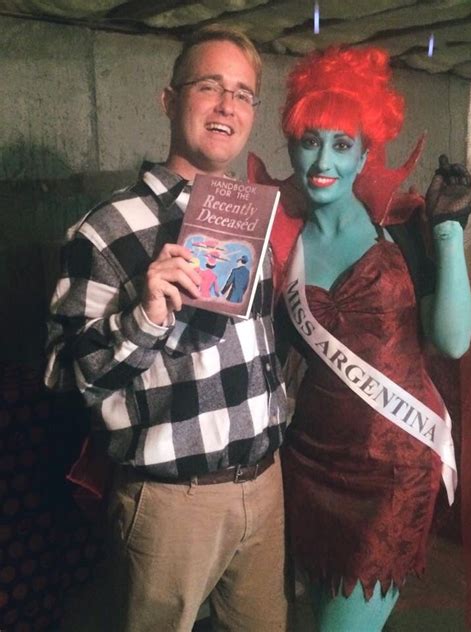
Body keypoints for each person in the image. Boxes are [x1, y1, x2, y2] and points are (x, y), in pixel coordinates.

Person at [45, 26, 288, 632]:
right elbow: (65, 376)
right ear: (169, 99)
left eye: (243, 93)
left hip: (264, 484)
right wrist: (145, 317)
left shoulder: (251, 213)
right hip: (170, 502)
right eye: (209, 86)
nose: (227, 106)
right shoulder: (104, 228)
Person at [250, 45, 471, 631]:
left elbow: (452, 340)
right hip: (309, 461)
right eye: (310, 140)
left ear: (365, 152)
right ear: (292, 145)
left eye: (342, 145)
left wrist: (447, 230)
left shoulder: (400, 230)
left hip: (392, 472)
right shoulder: (277, 243)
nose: (323, 160)